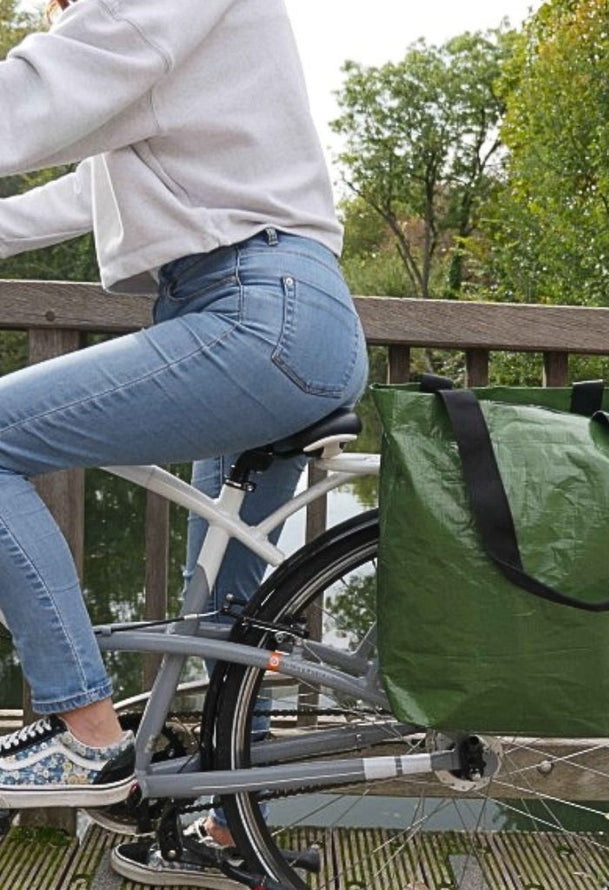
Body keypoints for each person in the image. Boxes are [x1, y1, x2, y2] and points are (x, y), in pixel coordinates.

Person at [0, 0, 367, 885]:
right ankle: (233, 821)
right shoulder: (190, 62)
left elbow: (42, 91)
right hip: (280, 314)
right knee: (236, 617)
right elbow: (91, 188)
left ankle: (84, 733)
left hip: (254, 311)